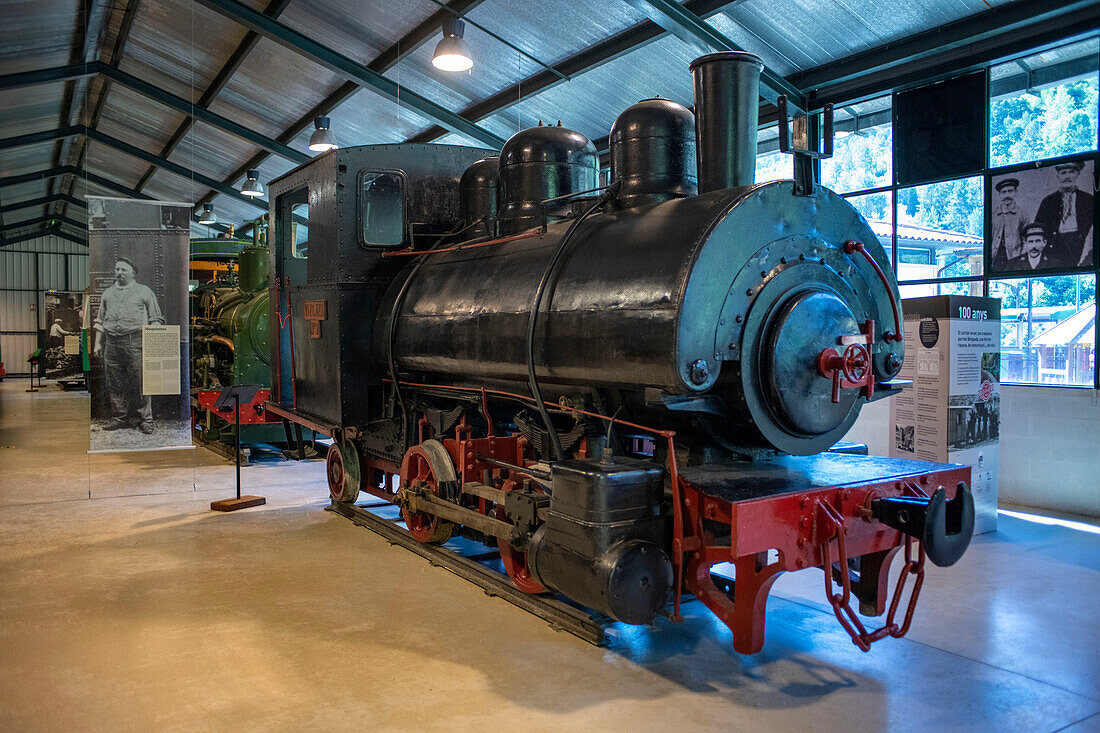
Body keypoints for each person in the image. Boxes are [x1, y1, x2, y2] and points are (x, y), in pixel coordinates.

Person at [92, 257, 164, 434]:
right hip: (111, 343)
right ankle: (119, 418)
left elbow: (156, 319)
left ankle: (145, 420)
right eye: (117, 269)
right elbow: (100, 320)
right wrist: (97, 344)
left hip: (136, 342)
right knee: (115, 383)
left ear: (133, 272)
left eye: (123, 269)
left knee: (141, 382)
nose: (119, 272)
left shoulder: (144, 291)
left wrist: (153, 342)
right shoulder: (107, 293)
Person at [1034, 161, 1094, 267]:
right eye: (1063, 173)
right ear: (1058, 176)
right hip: (1056, 246)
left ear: (1077, 174)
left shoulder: (1088, 199)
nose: (1067, 176)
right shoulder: (1048, 201)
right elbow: (1039, 228)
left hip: (1079, 244)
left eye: (1071, 172)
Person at [991, 177, 1026, 271]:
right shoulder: (993, 215)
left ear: (1016, 192)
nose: (1007, 195)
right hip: (995, 260)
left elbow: (1026, 241)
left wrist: (1021, 259)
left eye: (1010, 191)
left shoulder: (1022, 215)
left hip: (1014, 260)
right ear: (999, 194)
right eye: (1004, 192)